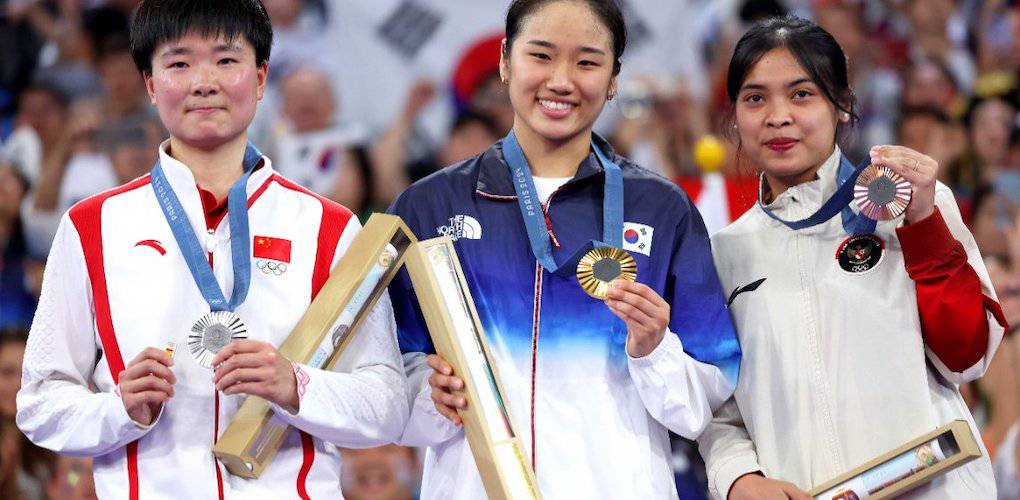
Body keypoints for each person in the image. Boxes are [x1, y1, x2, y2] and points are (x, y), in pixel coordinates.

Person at [15, 1, 408, 498]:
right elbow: (39, 404)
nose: (204, 81)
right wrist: (119, 409)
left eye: (226, 60)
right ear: (151, 85)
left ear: (261, 78)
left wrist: (296, 385)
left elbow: (388, 405)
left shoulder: (328, 226)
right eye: (179, 63)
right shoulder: (92, 226)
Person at [387, 1, 741, 498]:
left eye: (588, 62)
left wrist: (654, 349)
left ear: (614, 78)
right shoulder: (428, 206)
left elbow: (701, 403)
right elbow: (382, 381)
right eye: (542, 56)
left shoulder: (663, 209)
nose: (561, 80)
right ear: (507, 61)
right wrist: (427, 394)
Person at [696, 16, 1008, 499]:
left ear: (842, 104)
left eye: (801, 94)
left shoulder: (910, 203)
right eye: (755, 98)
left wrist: (922, 223)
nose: (778, 116)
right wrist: (739, 478)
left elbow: (965, 357)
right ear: (734, 116)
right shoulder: (724, 253)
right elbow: (720, 408)